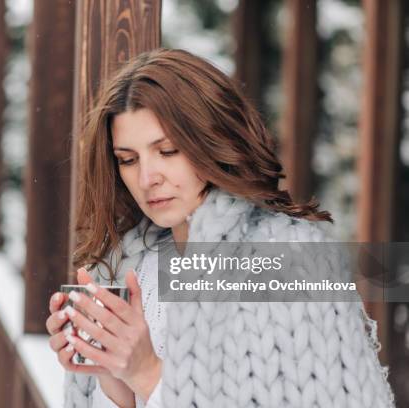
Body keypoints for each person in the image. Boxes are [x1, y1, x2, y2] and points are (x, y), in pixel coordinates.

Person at [45, 48, 395, 407]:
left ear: (211, 141)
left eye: (167, 151)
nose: (147, 178)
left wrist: (146, 372)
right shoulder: (131, 265)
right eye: (128, 160)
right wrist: (112, 376)